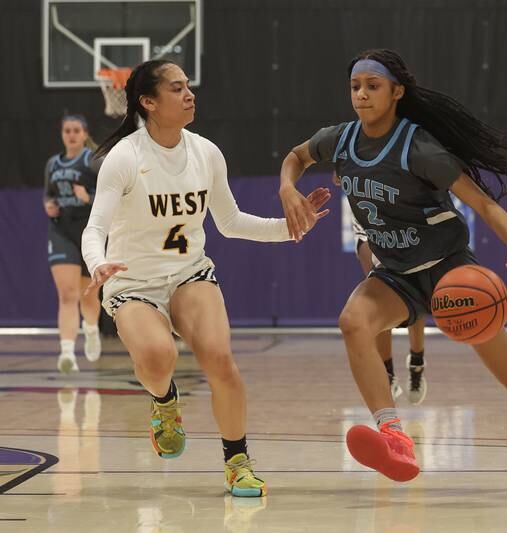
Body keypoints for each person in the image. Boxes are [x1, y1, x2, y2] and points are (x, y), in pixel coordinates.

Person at [279, 49, 507, 483]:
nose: (362, 95)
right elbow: (295, 156)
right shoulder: (340, 140)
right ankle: (394, 437)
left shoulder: (417, 148)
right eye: (355, 87)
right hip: (396, 275)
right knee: (353, 322)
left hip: (449, 272)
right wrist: (288, 189)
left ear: (397, 92)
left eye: (373, 86)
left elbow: (483, 203)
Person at [82, 59, 330, 497]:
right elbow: (95, 227)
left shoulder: (206, 152)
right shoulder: (124, 158)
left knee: (220, 359)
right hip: (132, 282)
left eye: (189, 86)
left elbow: (230, 222)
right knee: (158, 358)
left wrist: (289, 226)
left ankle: (237, 462)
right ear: (149, 102)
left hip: (189, 273)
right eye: (177, 89)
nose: (189, 94)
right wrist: (97, 262)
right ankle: (163, 402)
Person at [343, 185, 428, 405]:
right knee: (379, 288)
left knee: (414, 288)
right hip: (367, 216)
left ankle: (417, 361)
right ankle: (388, 372)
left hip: (400, 210)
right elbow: (336, 166)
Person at [44, 114, 103, 373]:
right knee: (67, 295)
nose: (71, 134)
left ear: (84, 133)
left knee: (88, 297)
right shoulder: (52, 164)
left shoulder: (94, 160)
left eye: (76, 130)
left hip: (89, 233)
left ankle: (91, 330)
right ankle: (66, 352)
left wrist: (88, 197)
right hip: (62, 231)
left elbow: (111, 196)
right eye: (67, 130)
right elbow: (49, 194)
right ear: (62, 133)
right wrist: (48, 206)